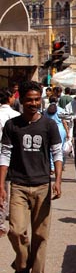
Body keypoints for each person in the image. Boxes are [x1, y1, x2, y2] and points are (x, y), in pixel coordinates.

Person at [0, 80, 63, 273]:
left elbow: (57, 153)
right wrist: (1, 184)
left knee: (40, 235)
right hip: (18, 185)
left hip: (42, 186)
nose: (34, 103)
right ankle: (22, 261)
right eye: (29, 100)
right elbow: (5, 155)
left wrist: (58, 180)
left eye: (37, 99)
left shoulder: (49, 125)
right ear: (21, 100)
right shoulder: (12, 126)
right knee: (16, 231)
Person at [0, 89, 20, 236]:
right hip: (9, 156)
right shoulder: (15, 116)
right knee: (6, 189)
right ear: (9, 98)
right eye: (13, 96)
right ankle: (2, 222)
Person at [45, 95, 70, 171]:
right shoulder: (61, 110)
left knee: (50, 149)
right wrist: (67, 132)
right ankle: (61, 165)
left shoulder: (45, 111)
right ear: (57, 101)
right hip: (60, 130)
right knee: (61, 148)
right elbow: (64, 122)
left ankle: (52, 167)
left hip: (49, 130)